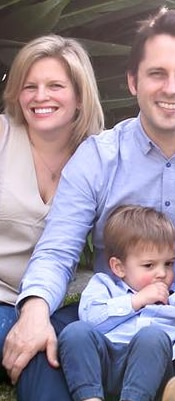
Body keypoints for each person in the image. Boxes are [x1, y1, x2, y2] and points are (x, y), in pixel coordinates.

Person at [3, 8, 175, 401]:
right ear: (133, 80)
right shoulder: (98, 157)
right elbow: (58, 247)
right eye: (157, 74)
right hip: (114, 310)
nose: (171, 88)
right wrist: (33, 311)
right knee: (45, 351)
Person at [0, 34, 104, 381]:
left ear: (79, 96)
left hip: (48, 303)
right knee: (40, 358)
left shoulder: (99, 157)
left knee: (54, 352)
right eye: (30, 86)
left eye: (55, 85)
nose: (40, 97)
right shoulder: (2, 136)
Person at [59, 205, 175, 401]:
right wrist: (136, 301)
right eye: (149, 265)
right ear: (119, 267)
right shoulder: (104, 286)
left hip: (150, 374)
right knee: (75, 332)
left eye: (168, 264)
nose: (162, 273)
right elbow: (91, 319)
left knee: (152, 337)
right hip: (105, 362)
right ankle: (89, 397)